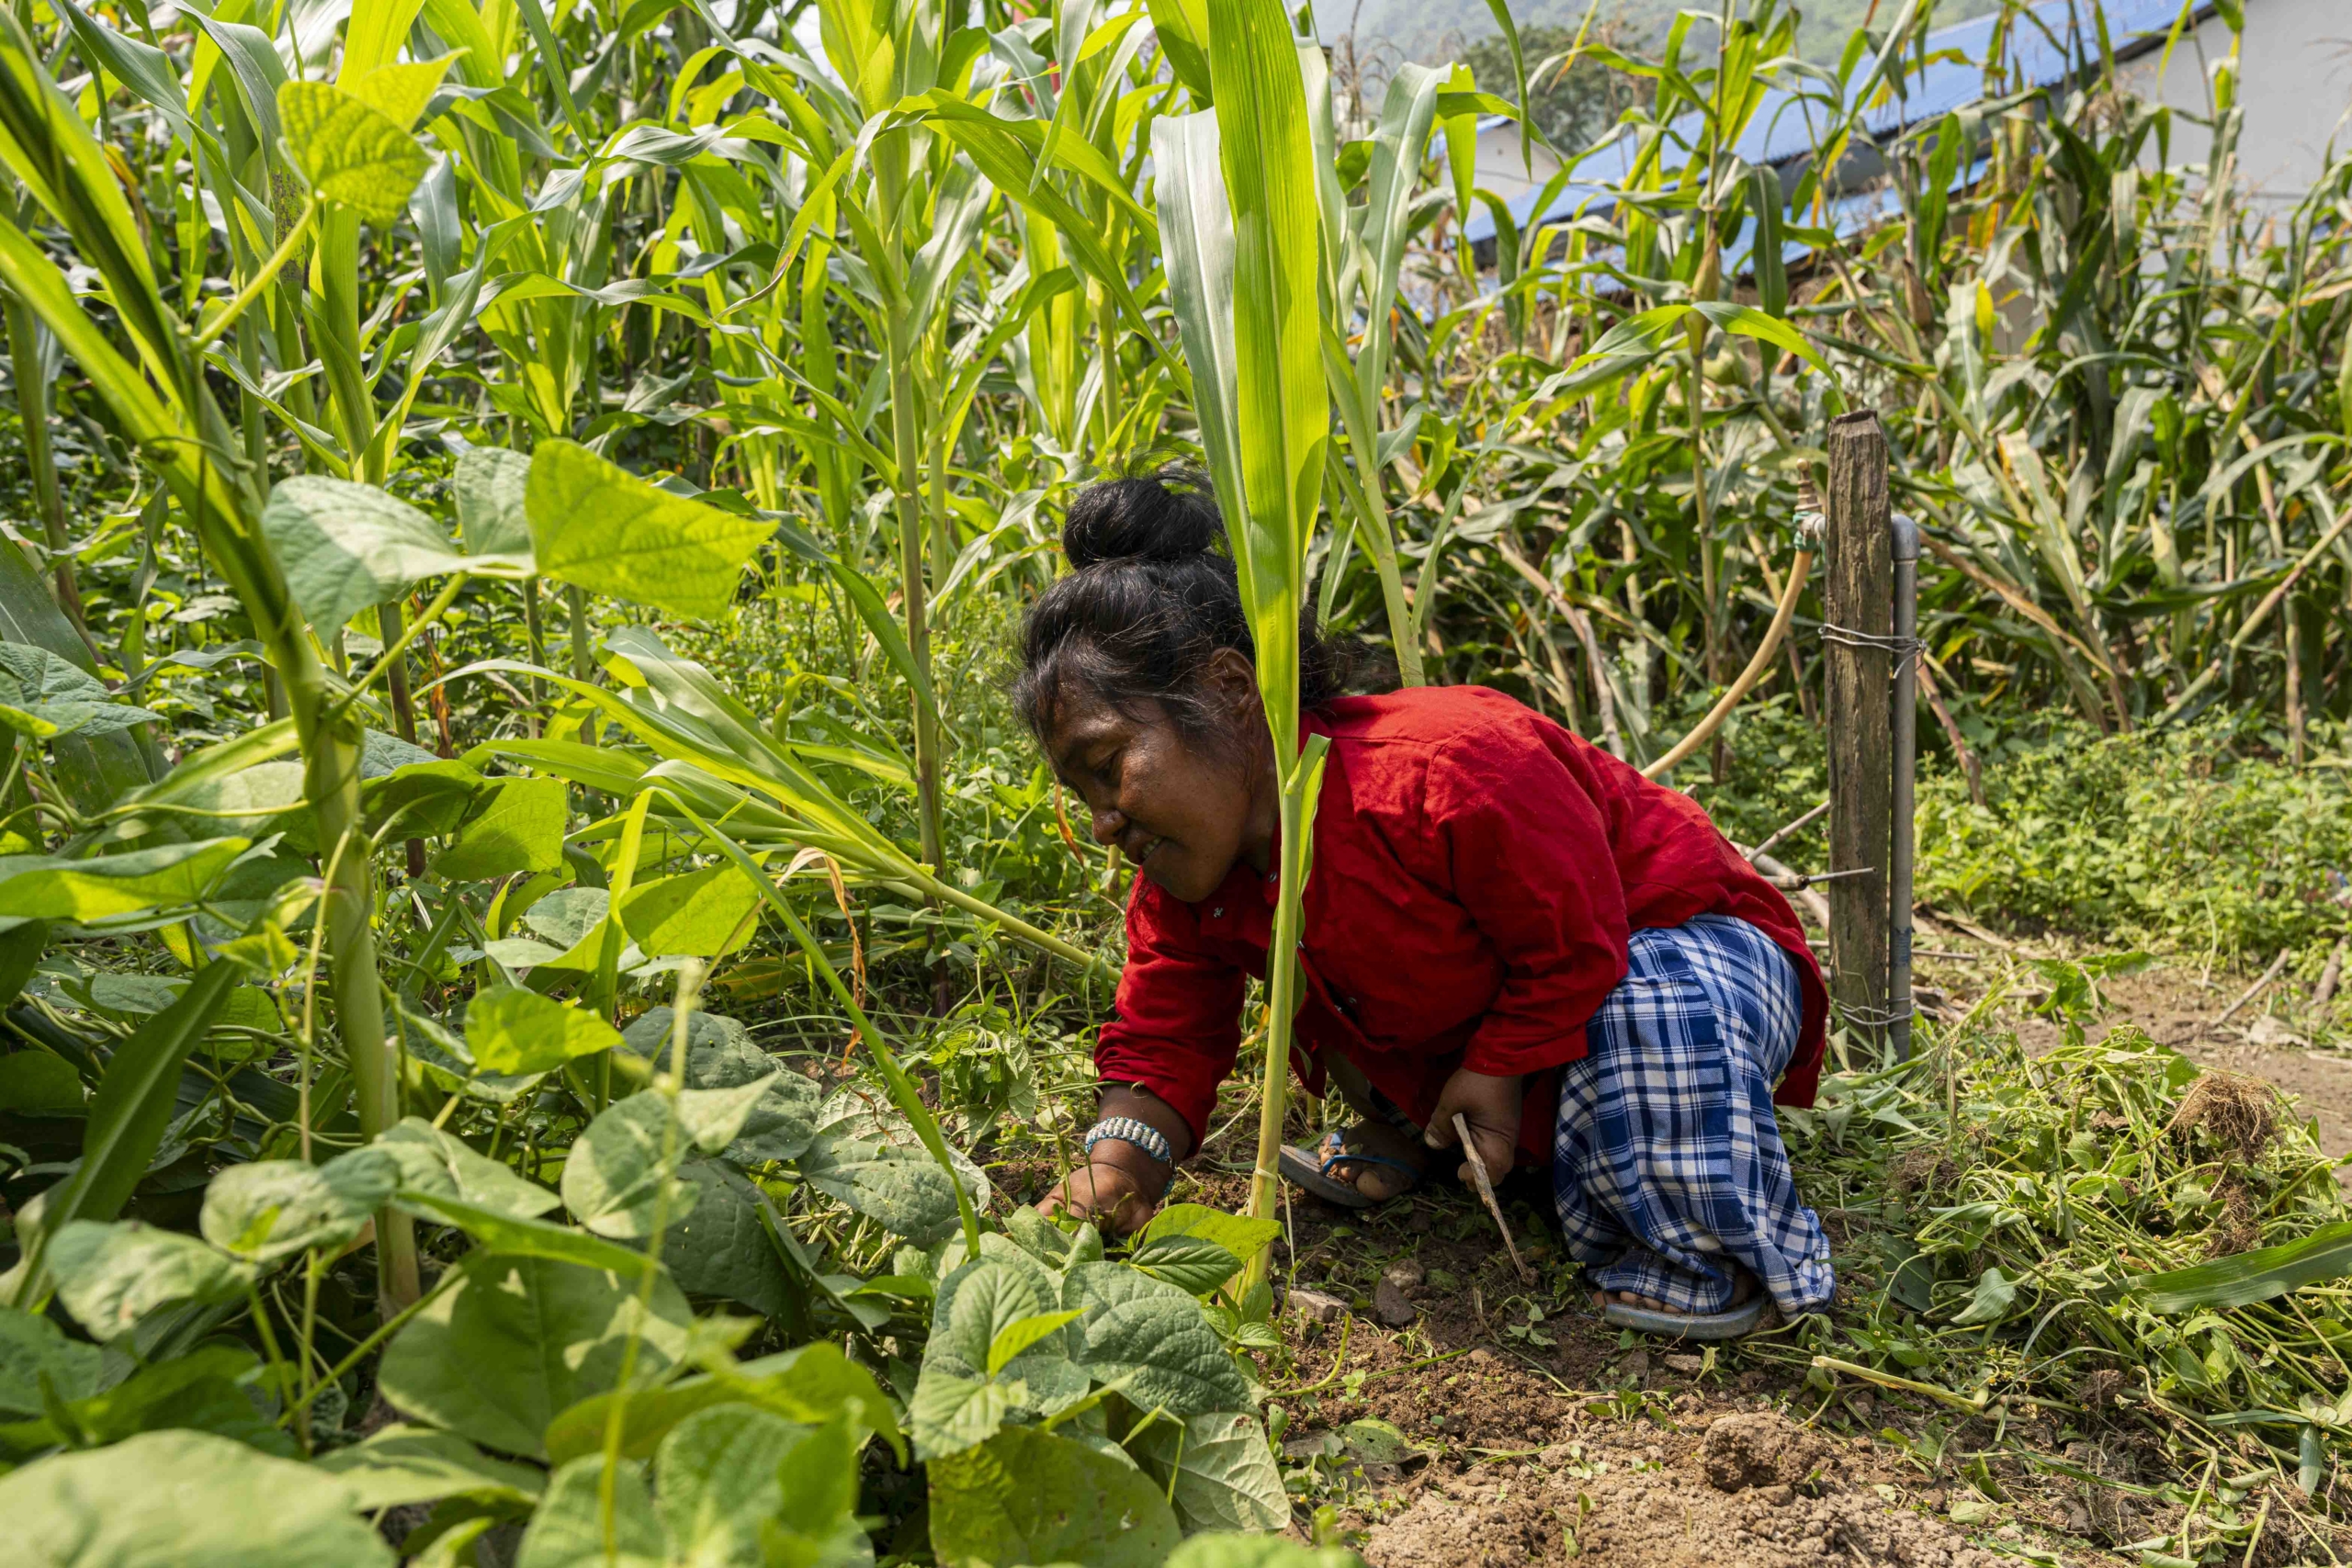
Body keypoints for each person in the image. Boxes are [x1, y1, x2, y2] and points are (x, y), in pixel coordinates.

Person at [1021, 469, 1834, 1337]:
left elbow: (1579, 937)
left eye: (1109, 767)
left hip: (1677, 948)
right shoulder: (1190, 884)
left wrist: (1496, 1066)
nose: (1105, 823)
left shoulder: (1439, 764)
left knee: (1649, 1015)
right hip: (1531, 1031)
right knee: (1373, 1030)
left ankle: (1701, 1255)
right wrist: (1119, 1168)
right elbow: (1164, 1035)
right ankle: (1488, 1139)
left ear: (1229, 689)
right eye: (1083, 795)